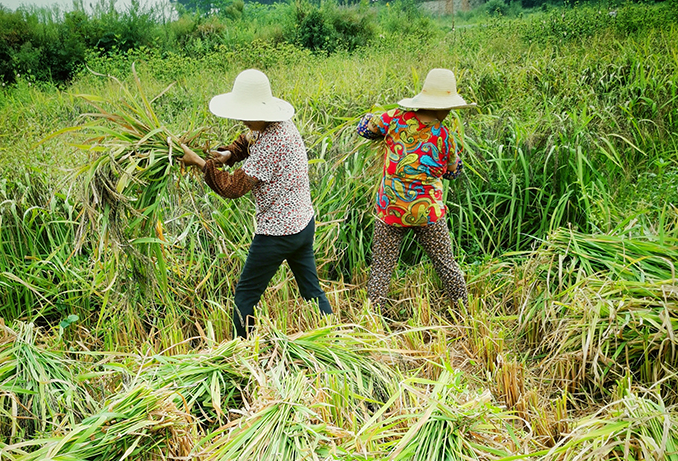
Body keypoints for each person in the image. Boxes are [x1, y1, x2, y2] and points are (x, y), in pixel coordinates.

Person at [179, 69, 333, 338]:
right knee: (311, 290)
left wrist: (200, 163)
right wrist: (230, 153)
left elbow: (232, 187)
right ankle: (333, 335)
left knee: (245, 295)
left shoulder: (272, 144)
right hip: (303, 224)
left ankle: (243, 350)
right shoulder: (278, 125)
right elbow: (248, 139)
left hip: (277, 233)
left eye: (245, 112)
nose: (241, 118)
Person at [356, 68, 473, 317]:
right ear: (447, 107)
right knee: (445, 263)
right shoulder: (445, 136)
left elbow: (365, 130)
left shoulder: (395, 118)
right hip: (428, 212)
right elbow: (452, 172)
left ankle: (373, 316)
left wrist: (369, 119)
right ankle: (464, 311)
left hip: (391, 207)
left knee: (382, 266)